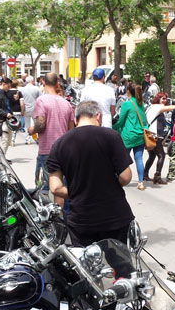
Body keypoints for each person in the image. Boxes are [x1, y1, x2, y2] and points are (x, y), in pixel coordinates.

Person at [46, 101, 134, 246]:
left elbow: (55, 188)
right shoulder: (111, 136)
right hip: (115, 216)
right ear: (98, 116)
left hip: (81, 219)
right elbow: (126, 176)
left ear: (76, 120)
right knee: (119, 264)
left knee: (86, 265)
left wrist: (79, 192)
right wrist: (108, 188)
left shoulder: (59, 144)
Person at [30, 73, 75, 191]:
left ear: (43, 82)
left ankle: (45, 208)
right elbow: (71, 130)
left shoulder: (41, 101)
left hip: (47, 150)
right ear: (57, 83)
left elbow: (40, 124)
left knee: (43, 188)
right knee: (61, 187)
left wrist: (32, 130)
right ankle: (61, 210)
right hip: (63, 150)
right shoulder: (66, 103)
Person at [113, 82, 149, 191]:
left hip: (128, 136)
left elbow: (121, 120)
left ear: (128, 91)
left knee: (122, 159)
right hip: (140, 135)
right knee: (139, 158)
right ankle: (140, 182)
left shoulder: (126, 104)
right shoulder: (141, 103)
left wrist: (113, 127)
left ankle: (117, 180)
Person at [143, 92, 175, 185]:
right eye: (163, 98)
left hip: (150, 134)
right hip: (154, 135)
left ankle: (145, 175)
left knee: (152, 156)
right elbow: (167, 108)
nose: (165, 101)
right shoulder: (157, 107)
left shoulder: (151, 107)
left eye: (165, 99)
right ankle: (157, 176)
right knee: (161, 155)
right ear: (158, 99)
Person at [19, 75, 41, 143]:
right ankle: (37, 138)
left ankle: (28, 139)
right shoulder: (36, 88)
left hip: (26, 109)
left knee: (27, 125)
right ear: (32, 81)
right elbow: (41, 98)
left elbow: (21, 100)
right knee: (36, 125)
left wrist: (21, 110)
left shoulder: (22, 89)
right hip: (35, 109)